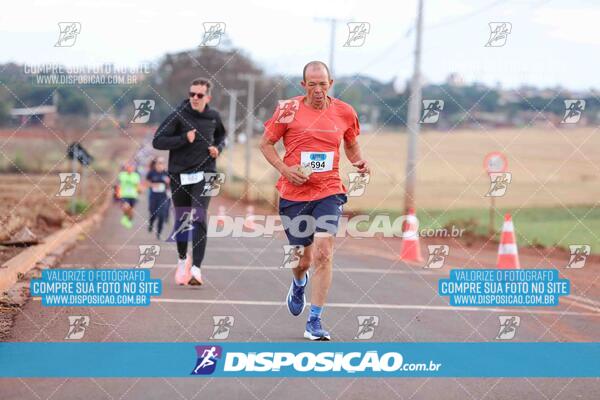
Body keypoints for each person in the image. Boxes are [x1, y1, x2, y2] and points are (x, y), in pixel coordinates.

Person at [260, 61, 370, 340]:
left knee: (324, 251)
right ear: (303, 85)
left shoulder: (345, 111)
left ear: (330, 83)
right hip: (293, 193)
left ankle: (315, 321)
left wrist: (358, 161)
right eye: (312, 84)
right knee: (302, 259)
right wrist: (285, 170)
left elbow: (351, 142)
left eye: (323, 84)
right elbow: (266, 144)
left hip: (329, 189)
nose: (318, 90)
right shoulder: (288, 110)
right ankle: (298, 282)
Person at [152, 78, 226, 286]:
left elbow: (222, 138)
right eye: (192, 94)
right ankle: (183, 259)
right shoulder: (178, 116)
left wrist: (218, 149)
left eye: (199, 95)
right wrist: (184, 138)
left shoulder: (214, 117)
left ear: (207, 98)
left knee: (199, 216)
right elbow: (158, 141)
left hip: (207, 173)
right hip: (179, 174)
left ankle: (196, 269)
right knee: (184, 218)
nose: (194, 98)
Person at [146, 156, 170, 240]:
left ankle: (159, 233)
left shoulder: (166, 173)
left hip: (163, 197)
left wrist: (168, 182)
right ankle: (151, 223)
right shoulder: (151, 173)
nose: (160, 165)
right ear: (155, 164)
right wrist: (153, 185)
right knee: (153, 213)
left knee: (161, 215)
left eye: (162, 163)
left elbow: (170, 185)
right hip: (153, 196)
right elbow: (147, 183)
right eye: (159, 163)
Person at [117, 162, 141, 229]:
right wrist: (118, 193)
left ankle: (129, 220)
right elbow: (118, 184)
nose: (130, 169)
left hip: (133, 195)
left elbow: (138, 186)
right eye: (128, 167)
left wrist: (139, 191)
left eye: (131, 168)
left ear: (133, 169)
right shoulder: (122, 175)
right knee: (125, 207)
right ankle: (125, 217)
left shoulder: (136, 176)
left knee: (131, 210)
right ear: (126, 168)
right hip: (124, 195)